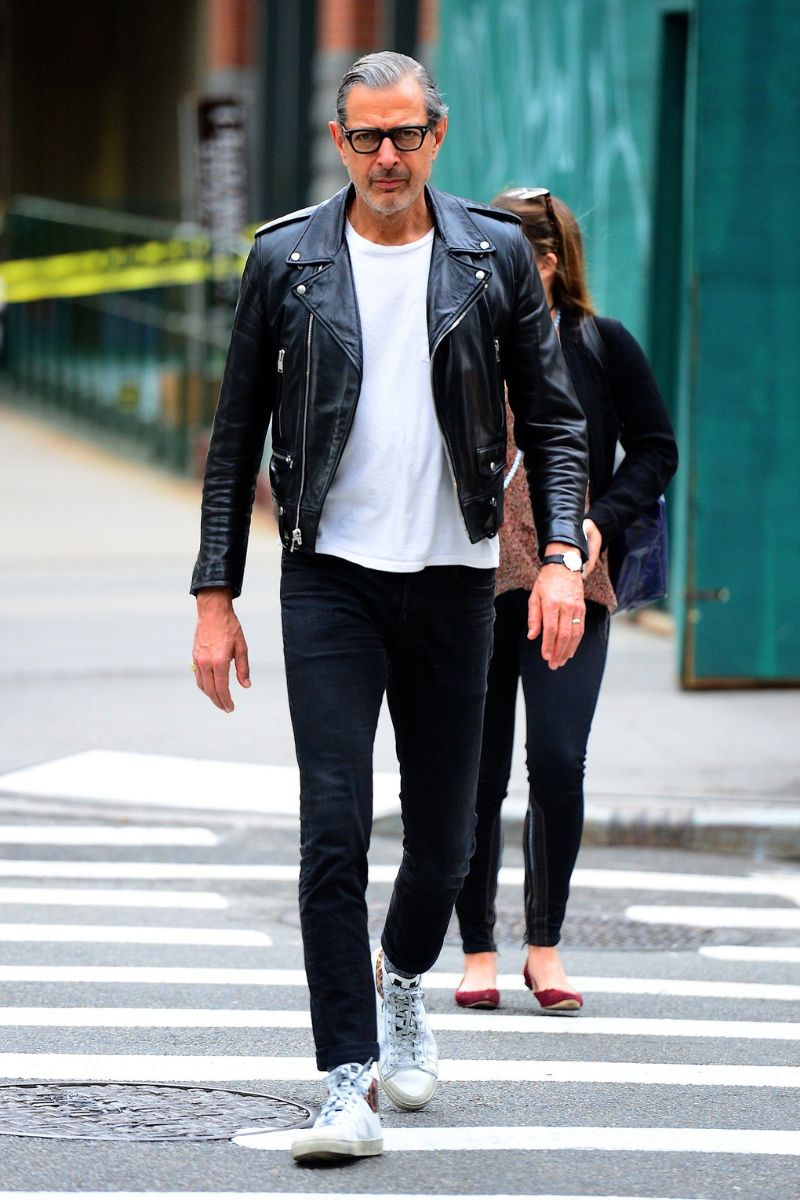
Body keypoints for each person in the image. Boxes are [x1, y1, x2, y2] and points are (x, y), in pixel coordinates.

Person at [190, 55, 590, 1164]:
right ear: (337, 140)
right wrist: (213, 592)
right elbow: (234, 441)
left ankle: (402, 972)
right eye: (366, 138)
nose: (385, 158)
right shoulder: (285, 260)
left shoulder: (492, 255)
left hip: (454, 579)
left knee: (447, 840)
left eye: (404, 136)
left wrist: (557, 552)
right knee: (331, 826)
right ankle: (344, 1081)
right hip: (327, 577)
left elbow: (554, 423)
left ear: (437, 136)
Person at [454, 189, 679, 1014]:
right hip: (472, 580)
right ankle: (476, 949)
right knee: (476, 769)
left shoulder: (597, 344)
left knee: (556, 759)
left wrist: (597, 521)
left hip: (571, 582)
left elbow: (656, 449)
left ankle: (542, 947)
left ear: (545, 263)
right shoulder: (463, 339)